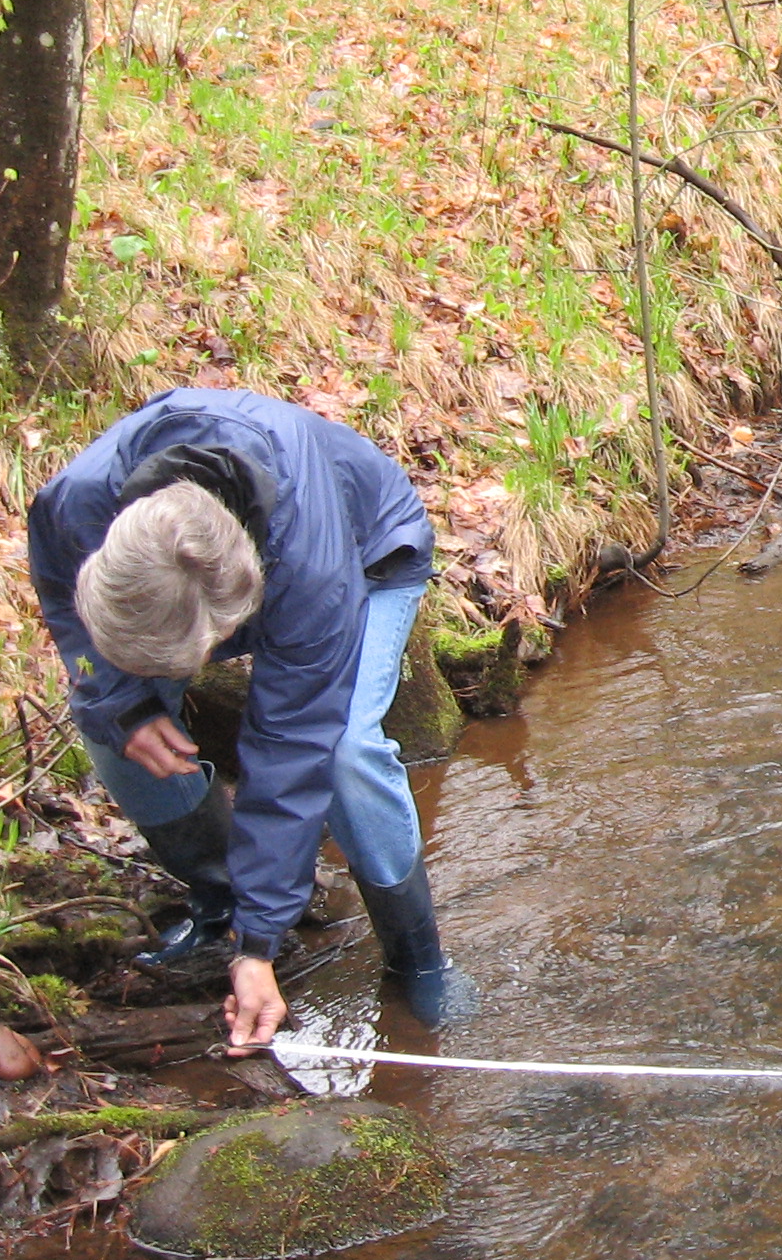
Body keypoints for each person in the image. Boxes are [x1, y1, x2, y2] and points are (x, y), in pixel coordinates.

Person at [27, 389, 476, 1049]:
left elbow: (291, 749)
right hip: (203, 584)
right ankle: (219, 907)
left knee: (346, 753)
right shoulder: (78, 504)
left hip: (369, 552)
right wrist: (121, 700)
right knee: (108, 719)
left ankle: (417, 954)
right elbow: (70, 614)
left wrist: (260, 949)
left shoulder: (310, 565)